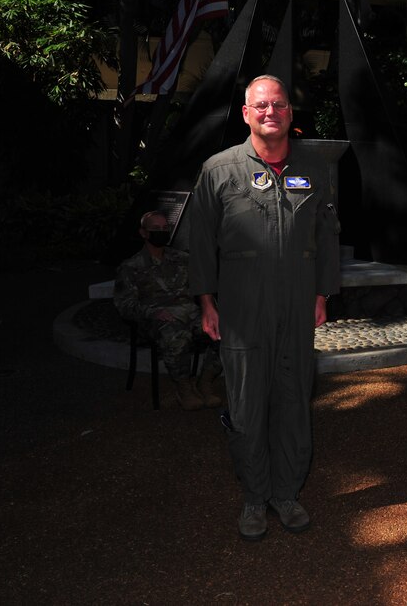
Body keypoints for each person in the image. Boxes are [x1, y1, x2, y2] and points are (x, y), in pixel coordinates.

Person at [188, 74, 342, 541]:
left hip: (296, 308)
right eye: (261, 105)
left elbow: (327, 238)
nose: (270, 111)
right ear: (246, 114)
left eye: (278, 104)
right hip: (242, 312)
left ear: (290, 113)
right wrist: (206, 302)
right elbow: (201, 243)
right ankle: (255, 498)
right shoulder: (219, 170)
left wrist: (321, 295)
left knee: (294, 403)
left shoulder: (314, 168)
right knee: (246, 406)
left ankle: (287, 494)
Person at [114, 211, 222, 410]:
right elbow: (125, 305)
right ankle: (184, 388)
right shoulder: (131, 267)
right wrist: (152, 312)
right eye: (156, 229)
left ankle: (205, 382)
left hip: (190, 313)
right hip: (156, 319)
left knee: (225, 332)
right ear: (143, 233)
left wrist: (210, 309)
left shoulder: (182, 259)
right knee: (176, 335)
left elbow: (202, 288)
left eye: (165, 228)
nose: (162, 232)